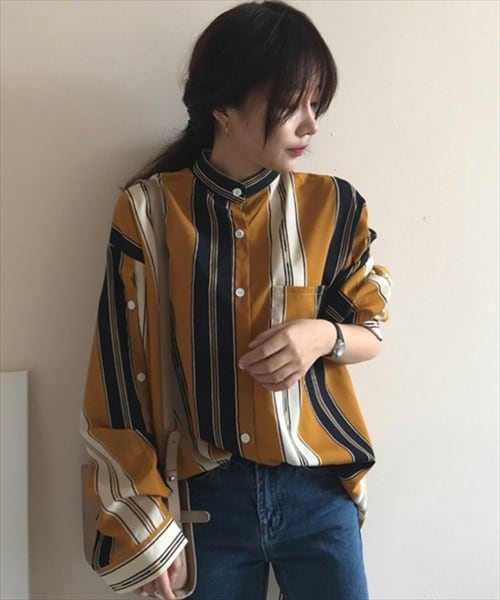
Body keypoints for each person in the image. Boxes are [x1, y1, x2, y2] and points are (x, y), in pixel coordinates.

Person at [80, 1, 391, 599]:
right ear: (223, 106)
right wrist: (145, 525)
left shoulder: (335, 206)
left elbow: (371, 330)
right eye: (291, 103)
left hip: (318, 493)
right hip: (204, 505)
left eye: (317, 103)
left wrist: (319, 335)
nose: (311, 125)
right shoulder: (149, 212)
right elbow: (119, 375)